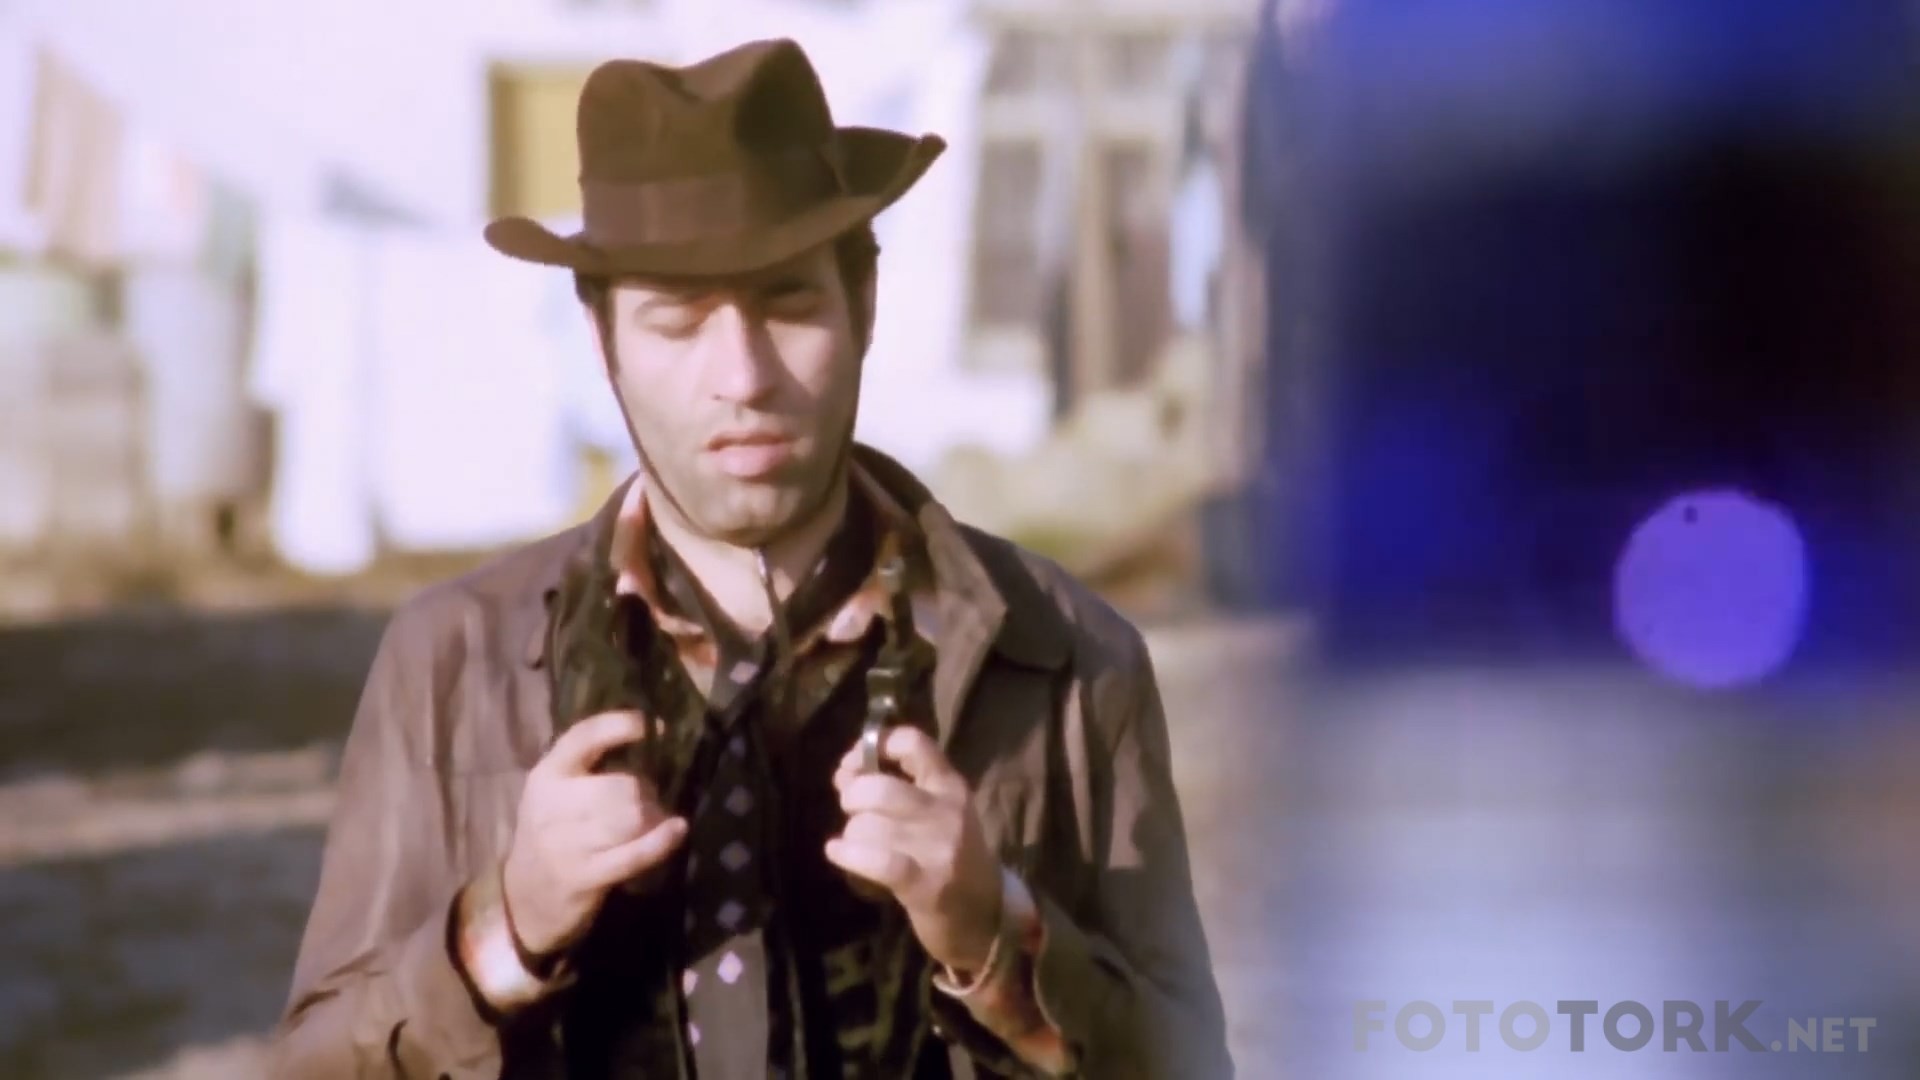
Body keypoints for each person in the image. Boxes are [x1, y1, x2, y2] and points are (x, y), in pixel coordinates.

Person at [269, 38, 1230, 1079]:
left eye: (788, 302)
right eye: (678, 322)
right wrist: (506, 926)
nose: (744, 376)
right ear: (603, 340)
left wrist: (994, 931)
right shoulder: (450, 660)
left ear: (863, 305)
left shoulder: (1069, 658)